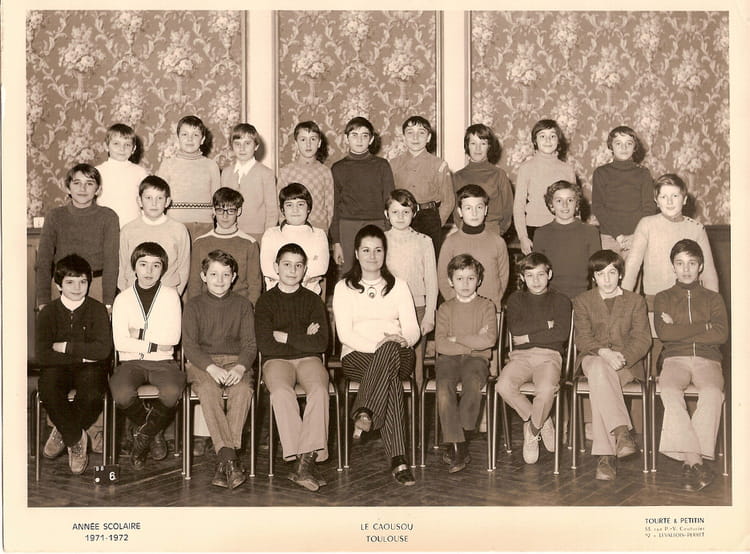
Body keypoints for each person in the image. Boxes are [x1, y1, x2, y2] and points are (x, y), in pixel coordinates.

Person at [332, 225, 420, 486]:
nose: (372, 256)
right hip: (356, 354)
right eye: (366, 250)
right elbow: (345, 334)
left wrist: (404, 340)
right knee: (390, 379)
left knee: (391, 350)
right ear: (356, 253)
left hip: (399, 353)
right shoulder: (343, 288)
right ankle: (398, 460)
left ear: (385, 253)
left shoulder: (399, 286)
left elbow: (412, 328)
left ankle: (365, 410)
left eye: (378, 250)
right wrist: (381, 346)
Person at [654, 239, 728, 492]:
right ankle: (696, 462)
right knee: (669, 391)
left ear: (701, 266)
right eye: (680, 263)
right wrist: (703, 326)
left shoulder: (714, 299)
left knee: (713, 393)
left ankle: (689, 464)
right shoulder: (663, 298)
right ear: (673, 267)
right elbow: (665, 334)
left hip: (709, 360)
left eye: (692, 263)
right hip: (674, 359)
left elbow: (721, 335)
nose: (686, 269)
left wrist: (679, 329)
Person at [256, 243, 330, 492]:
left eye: (298, 265)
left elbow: (321, 343)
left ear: (305, 269)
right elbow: (265, 344)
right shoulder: (265, 302)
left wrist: (286, 337)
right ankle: (305, 460)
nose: (292, 270)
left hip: (309, 359)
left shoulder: (313, 300)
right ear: (276, 267)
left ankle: (303, 464)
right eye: (287, 264)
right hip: (276, 361)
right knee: (280, 392)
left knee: (319, 390)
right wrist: (303, 336)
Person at [572, 249, 651, 481]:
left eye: (612, 273)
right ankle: (621, 432)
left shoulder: (636, 301)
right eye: (600, 274)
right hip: (592, 357)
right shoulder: (583, 301)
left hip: (625, 365)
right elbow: (582, 338)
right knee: (598, 368)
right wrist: (604, 353)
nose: (606, 280)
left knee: (600, 381)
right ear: (593, 277)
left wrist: (621, 357)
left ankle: (605, 457)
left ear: (620, 274)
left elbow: (642, 339)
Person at [182, 250, 256, 489]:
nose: (220, 280)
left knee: (243, 390)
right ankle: (230, 458)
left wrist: (241, 367)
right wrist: (210, 367)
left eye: (226, 274)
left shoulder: (243, 305)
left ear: (233, 277)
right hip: (203, 362)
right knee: (207, 390)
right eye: (213, 274)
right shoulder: (193, 305)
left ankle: (225, 461)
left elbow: (250, 345)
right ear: (203, 276)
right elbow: (190, 346)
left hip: (236, 361)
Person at [109, 242, 185, 470]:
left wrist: (139, 334)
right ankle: (153, 430)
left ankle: (142, 437)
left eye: (156, 265)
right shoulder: (122, 299)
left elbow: (172, 338)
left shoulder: (171, 296)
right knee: (121, 393)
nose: (149, 271)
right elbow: (120, 342)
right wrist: (155, 343)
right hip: (130, 361)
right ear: (134, 267)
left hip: (163, 362)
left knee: (172, 391)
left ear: (163, 269)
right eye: (143, 264)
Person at [36, 254, 112, 475]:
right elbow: (43, 355)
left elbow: (102, 351)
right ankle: (76, 438)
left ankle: (63, 432)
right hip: (57, 368)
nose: (77, 288)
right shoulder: (48, 312)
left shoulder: (97, 310)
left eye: (83, 281)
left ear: (89, 283)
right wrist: (82, 356)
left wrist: (66, 347)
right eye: (70, 282)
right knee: (48, 389)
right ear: (58, 285)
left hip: (90, 369)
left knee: (93, 392)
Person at [496, 253, 571, 464]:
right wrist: (546, 324)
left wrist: (529, 336)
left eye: (540, 275)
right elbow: (516, 329)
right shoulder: (516, 299)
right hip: (520, 357)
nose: (535, 280)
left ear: (550, 274)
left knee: (546, 389)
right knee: (503, 386)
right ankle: (540, 420)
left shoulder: (561, 301)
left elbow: (561, 333)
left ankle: (531, 432)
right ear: (522, 277)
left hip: (549, 356)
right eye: (530, 275)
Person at [435, 254, 498, 472]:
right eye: (459, 278)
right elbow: (441, 345)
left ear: (479, 280)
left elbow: (489, 340)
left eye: (470, 278)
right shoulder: (445, 309)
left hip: (477, 360)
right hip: (449, 359)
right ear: (450, 281)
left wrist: (457, 339)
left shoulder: (487, 306)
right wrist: (472, 342)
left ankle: (458, 443)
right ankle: (459, 446)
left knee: (473, 383)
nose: (465, 284)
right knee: (444, 386)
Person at [622, 173, 719, 304]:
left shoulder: (696, 229)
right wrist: (622, 304)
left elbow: (708, 274)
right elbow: (631, 269)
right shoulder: (646, 225)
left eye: (675, 196)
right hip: (654, 301)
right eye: (663, 197)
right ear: (656, 201)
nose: (669, 202)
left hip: (689, 301)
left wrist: (714, 307)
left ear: (684, 200)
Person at [35, 163, 119, 313]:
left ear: (98, 189)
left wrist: (108, 302)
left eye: (89, 183)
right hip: (61, 286)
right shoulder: (55, 216)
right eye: (77, 183)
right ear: (68, 188)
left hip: (96, 286)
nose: (83, 188)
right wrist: (43, 299)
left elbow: (111, 262)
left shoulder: (108, 217)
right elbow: (43, 260)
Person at [384, 189, 438, 386]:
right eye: (395, 212)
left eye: (406, 212)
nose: (400, 217)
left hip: (417, 308)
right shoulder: (381, 240)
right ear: (386, 214)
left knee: (416, 366)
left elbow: (431, 281)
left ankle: (417, 405)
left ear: (414, 213)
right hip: (389, 309)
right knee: (390, 363)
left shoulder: (424, 241)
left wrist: (429, 315)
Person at [331, 117, 395, 272]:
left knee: (377, 270)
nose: (359, 140)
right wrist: (337, 242)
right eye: (354, 135)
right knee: (348, 272)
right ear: (346, 138)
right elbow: (334, 207)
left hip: (377, 223)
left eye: (364, 135)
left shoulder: (382, 165)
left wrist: (388, 231)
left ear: (371, 139)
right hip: (348, 225)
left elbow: (389, 201)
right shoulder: (338, 168)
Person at [438, 184, 509, 315]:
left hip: (490, 311)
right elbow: (443, 279)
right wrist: (457, 302)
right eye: (468, 208)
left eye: (479, 207)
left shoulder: (498, 242)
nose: (474, 213)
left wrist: (494, 302)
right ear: (460, 212)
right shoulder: (450, 243)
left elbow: (503, 278)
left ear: (486, 210)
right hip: (459, 310)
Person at [389, 115, 454, 253]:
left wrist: (437, 222)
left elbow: (448, 201)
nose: (415, 137)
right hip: (402, 217)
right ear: (403, 137)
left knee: (428, 259)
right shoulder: (393, 164)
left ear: (428, 137)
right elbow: (388, 197)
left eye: (421, 133)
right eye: (410, 133)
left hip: (429, 218)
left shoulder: (439, 165)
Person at [187, 187, 262, 305]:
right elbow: (194, 285)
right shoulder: (200, 243)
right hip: (206, 306)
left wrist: (249, 310)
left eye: (230, 211)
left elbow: (255, 286)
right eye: (220, 210)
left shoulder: (250, 243)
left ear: (239, 211)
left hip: (239, 307)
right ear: (213, 210)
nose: (225, 216)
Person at [118, 175, 191, 296]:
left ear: (167, 202)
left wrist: (175, 295)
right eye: (148, 198)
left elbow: (183, 268)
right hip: (134, 293)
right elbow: (122, 266)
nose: (154, 203)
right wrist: (126, 293)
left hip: (167, 293)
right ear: (139, 201)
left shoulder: (179, 230)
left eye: (159, 198)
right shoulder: (128, 230)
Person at [592, 126, 656, 258]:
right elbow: (598, 207)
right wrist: (618, 236)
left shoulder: (643, 173)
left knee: (634, 271)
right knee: (609, 270)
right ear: (611, 146)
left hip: (637, 236)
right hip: (609, 237)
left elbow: (649, 208)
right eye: (618, 143)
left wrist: (636, 235)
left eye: (629, 143)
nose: (624, 147)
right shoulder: (601, 173)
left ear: (635, 147)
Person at [513, 119, 576, 254]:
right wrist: (523, 237)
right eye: (542, 136)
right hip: (534, 229)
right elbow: (518, 205)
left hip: (562, 227)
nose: (548, 140)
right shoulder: (526, 168)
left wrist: (576, 230)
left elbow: (575, 204)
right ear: (535, 141)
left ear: (558, 140)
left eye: (552, 136)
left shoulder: (567, 169)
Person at [534, 180, 601, 299]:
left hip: (583, 297)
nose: (565, 205)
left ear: (577, 204)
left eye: (570, 200)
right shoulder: (541, 234)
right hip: (551, 298)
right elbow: (538, 273)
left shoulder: (591, 232)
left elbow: (597, 271)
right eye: (559, 201)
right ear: (551, 205)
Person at [260, 183, 330, 296]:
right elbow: (267, 268)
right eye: (289, 205)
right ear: (282, 209)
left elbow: (321, 267)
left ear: (308, 208)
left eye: (300, 204)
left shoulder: (319, 234)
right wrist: (304, 279)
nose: (295, 210)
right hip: (277, 296)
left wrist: (284, 276)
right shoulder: (271, 234)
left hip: (309, 296)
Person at [157, 115, 220, 224]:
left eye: (195, 135)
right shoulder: (167, 164)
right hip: (174, 224)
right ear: (178, 138)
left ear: (202, 140)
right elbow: (159, 197)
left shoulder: (211, 165)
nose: (190, 139)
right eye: (184, 134)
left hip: (204, 224)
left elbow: (217, 200)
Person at [453, 123, 514, 236]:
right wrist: (464, 230)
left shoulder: (499, 174)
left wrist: (498, 232)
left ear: (489, 146)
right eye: (473, 143)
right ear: (467, 146)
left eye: (483, 143)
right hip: (466, 232)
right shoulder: (457, 177)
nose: (478, 148)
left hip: (492, 231)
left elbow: (508, 209)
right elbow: (455, 212)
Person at [220, 123, 277, 243]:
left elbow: (272, 211)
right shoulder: (226, 173)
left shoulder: (266, 174)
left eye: (247, 143)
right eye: (237, 144)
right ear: (232, 146)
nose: (242, 148)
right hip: (229, 232)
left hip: (257, 235)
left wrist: (267, 238)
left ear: (256, 146)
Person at [277, 121, 334, 233]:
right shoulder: (286, 172)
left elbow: (330, 206)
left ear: (319, 143)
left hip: (318, 228)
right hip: (292, 227)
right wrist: (285, 227)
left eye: (313, 139)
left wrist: (324, 229)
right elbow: (280, 205)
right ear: (296, 143)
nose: (308, 144)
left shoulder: (325, 172)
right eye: (303, 140)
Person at [96, 123, 148, 228]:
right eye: (116, 144)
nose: (122, 148)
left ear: (133, 149)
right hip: (104, 227)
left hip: (133, 226)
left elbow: (146, 201)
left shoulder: (140, 172)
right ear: (106, 146)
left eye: (127, 145)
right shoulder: (97, 171)